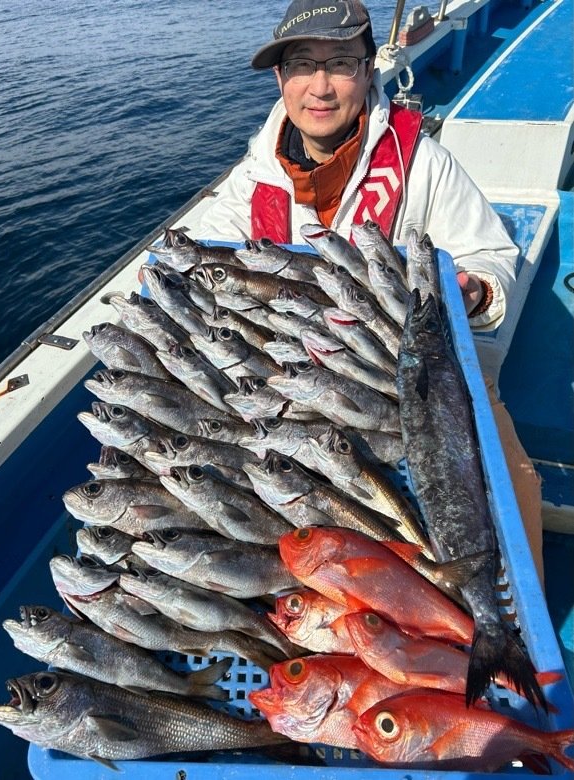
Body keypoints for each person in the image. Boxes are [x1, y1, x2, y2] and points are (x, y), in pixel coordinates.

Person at [189, 0, 544, 582]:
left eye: (340, 63)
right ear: (281, 78)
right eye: (302, 64)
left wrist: (476, 290)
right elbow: (213, 248)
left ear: (368, 70)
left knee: (509, 488)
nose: (320, 87)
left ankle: (508, 638)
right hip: (292, 380)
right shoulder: (256, 173)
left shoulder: (422, 163)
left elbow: (490, 256)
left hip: (420, 382)